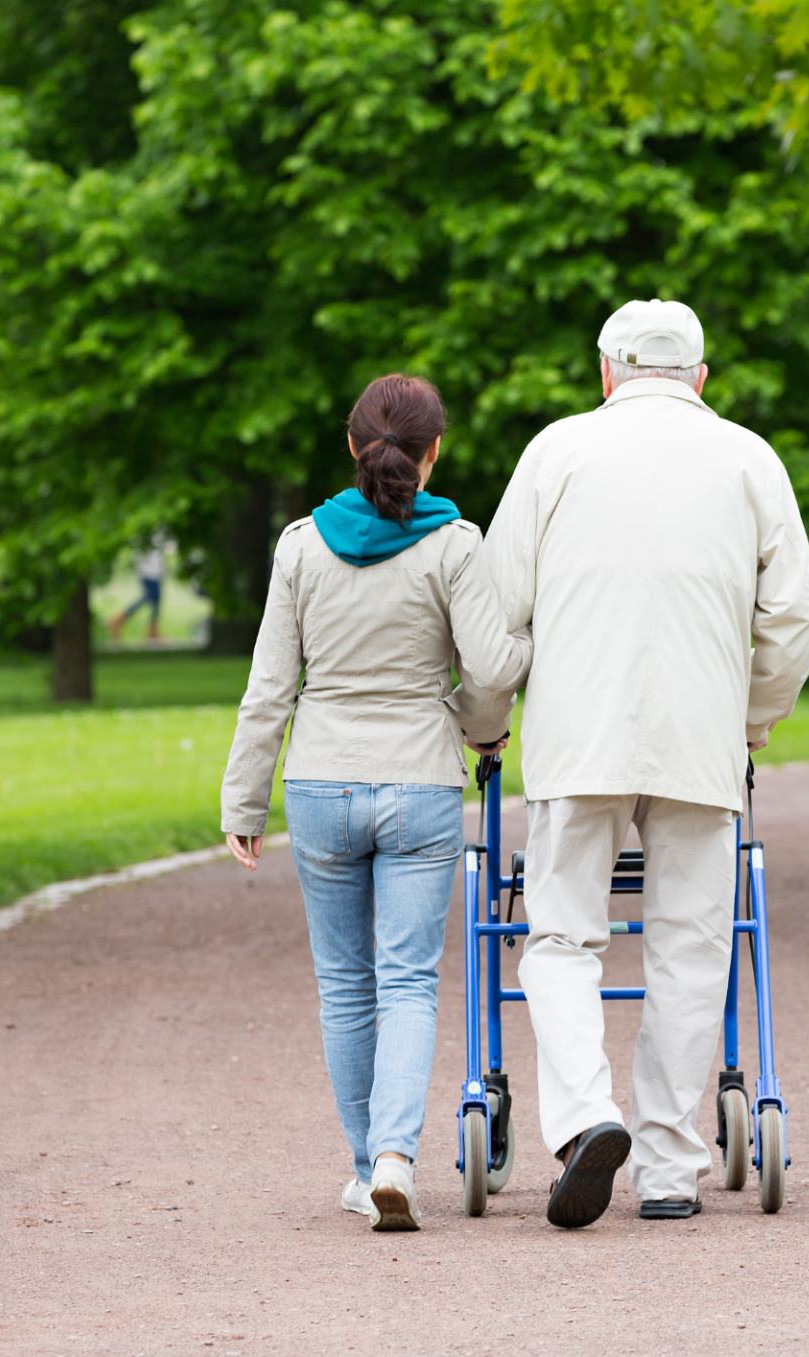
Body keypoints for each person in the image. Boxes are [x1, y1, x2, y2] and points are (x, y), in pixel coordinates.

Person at [476, 299, 809, 1229]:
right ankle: (669, 1165)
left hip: (574, 737)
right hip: (697, 740)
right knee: (688, 945)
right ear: (700, 379)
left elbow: (495, 614)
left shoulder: (554, 451)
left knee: (558, 938)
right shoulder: (750, 458)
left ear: (605, 373)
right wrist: (749, 720)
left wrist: (483, 724)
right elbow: (796, 620)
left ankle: (587, 1114)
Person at [219, 374, 532, 1233]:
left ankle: (366, 1169)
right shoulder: (454, 546)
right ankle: (395, 1154)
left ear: (351, 447)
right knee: (406, 982)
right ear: (433, 452)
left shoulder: (299, 547)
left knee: (344, 987)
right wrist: (479, 727)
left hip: (319, 784)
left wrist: (243, 799)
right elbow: (493, 670)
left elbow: (269, 689)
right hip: (420, 784)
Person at [108, 543, 168, 641]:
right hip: (149, 570)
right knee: (149, 597)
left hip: (153, 569)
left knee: (156, 599)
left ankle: (152, 631)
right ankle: (118, 620)